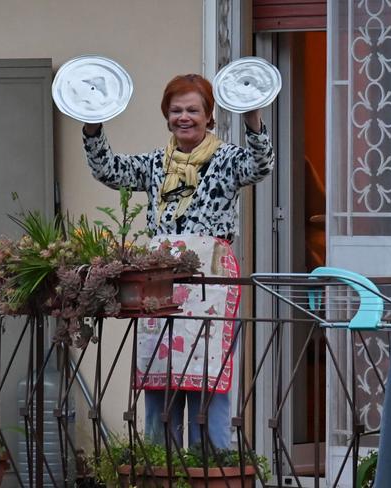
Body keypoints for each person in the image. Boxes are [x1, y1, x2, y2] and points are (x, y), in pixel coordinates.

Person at [83, 73, 274, 449]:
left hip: (209, 278)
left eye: (192, 110)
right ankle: (160, 464)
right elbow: (110, 171)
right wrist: (93, 123)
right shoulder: (156, 163)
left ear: (209, 116)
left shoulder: (227, 159)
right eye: (175, 110)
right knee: (161, 378)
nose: (183, 117)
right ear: (166, 115)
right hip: (159, 277)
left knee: (208, 379)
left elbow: (260, 165)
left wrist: (253, 117)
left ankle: (211, 464)